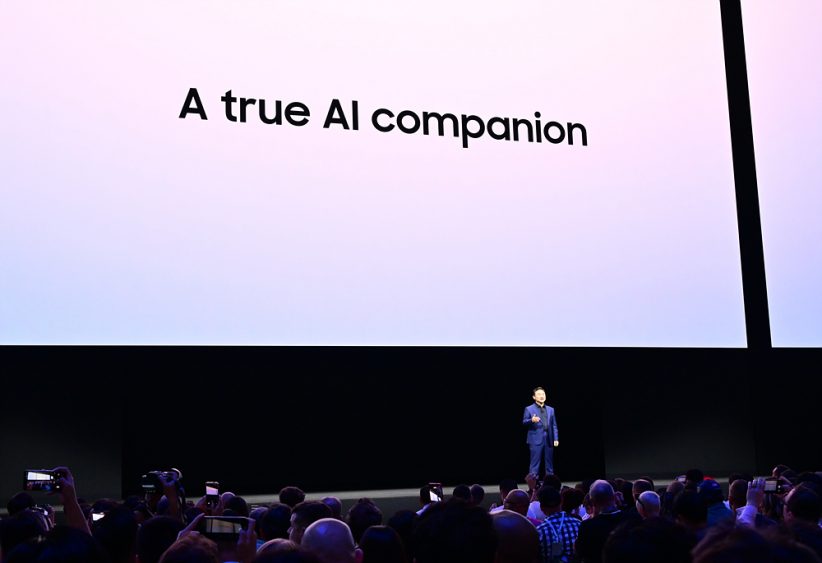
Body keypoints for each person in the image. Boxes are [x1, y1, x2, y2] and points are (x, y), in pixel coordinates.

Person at [522, 387, 559, 476]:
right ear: (534, 397)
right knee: (535, 463)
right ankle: (533, 483)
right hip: (535, 439)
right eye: (539, 394)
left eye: (543, 394)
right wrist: (531, 420)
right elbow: (524, 422)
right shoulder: (529, 409)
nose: (541, 396)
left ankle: (550, 482)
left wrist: (556, 438)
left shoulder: (551, 409)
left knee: (549, 463)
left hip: (549, 438)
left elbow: (554, 425)